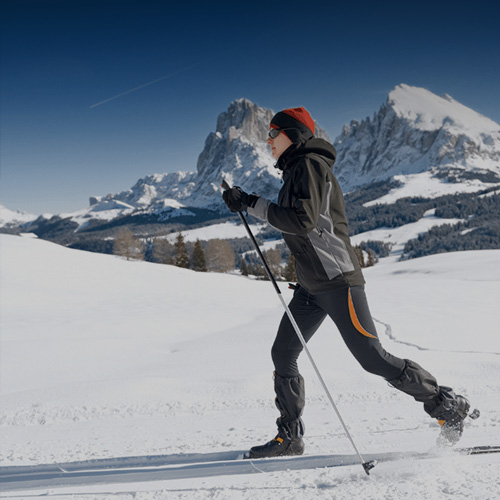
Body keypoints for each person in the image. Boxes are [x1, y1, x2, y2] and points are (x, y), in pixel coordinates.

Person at [222, 107, 472, 459]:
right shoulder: (296, 168)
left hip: (338, 282)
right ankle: (290, 436)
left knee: (373, 358)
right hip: (311, 286)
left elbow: (302, 221)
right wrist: (248, 203)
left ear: (292, 135)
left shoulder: (310, 165)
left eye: (273, 133)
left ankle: (445, 404)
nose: (267, 140)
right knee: (283, 353)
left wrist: (250, 203)